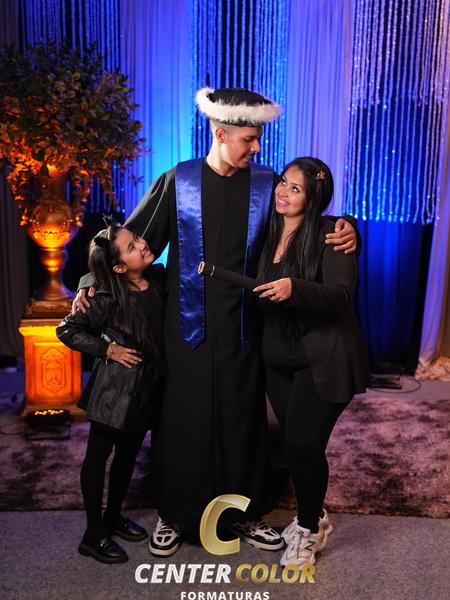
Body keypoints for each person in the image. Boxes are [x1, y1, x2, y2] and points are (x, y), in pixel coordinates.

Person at [73, 88, 358, 556]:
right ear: (221, 134)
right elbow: (130, 241)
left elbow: (306, 215)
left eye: (258, 138)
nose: (257, 148)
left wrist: (349, 226)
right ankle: (173, 513)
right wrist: (91, 280)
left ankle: (243, 513)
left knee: (241, 420)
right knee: (181, 419)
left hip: (247, 326)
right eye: (249, 139)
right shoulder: (179, 180)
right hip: (185, 325)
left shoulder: (267, 185)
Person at [254, 156, 370, 568]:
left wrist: (295, 288)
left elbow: (341, 292)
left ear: (313, 196)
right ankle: (315, 516)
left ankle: (306, 529)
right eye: (283, 182)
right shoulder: (264, 228)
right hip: (276, 360)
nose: (283, 192)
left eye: (296, 188)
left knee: (304, 443)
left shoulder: (331, 233)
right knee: (296, 446)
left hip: (322, 359)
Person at [56, 224, 165, 564]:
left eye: (137, 239)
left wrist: (87, 279)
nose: (142, 245)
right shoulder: (104, 298)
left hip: (146, 390)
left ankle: (113, 516)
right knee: (97, 458)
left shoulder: (158, 278)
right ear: (118, 267)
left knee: (128, 456)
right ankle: (93, 534)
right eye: (132, 247)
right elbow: (66, 329)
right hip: (113, 393)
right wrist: (108, 349)